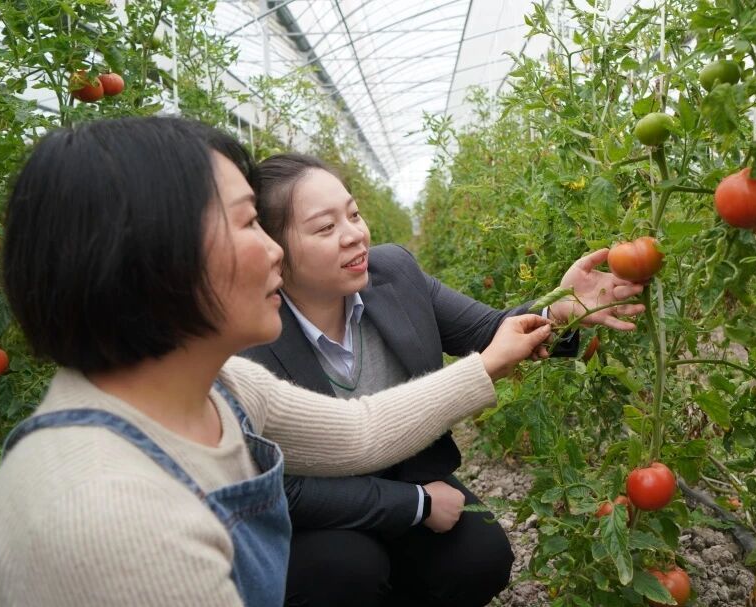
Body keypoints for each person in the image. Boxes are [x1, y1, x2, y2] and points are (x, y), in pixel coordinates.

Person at [0, 117, 555, 607]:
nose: (275, 250)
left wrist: (515, 344)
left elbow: (362, 429)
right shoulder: (119, 527)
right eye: (247, 223)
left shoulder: (222, 387)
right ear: (160, 264)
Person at [243, 153, 646, 607]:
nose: (354, 233)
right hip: (317, 514)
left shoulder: (393, 273)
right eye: (325, 227)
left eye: (353, 214)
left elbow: (486, 330)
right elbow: (279, 486)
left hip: (408, 472)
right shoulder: (252, 335)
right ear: (274, 250)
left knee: (481, 558)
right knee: (343, 572)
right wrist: (416, 505)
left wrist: (559, 308)